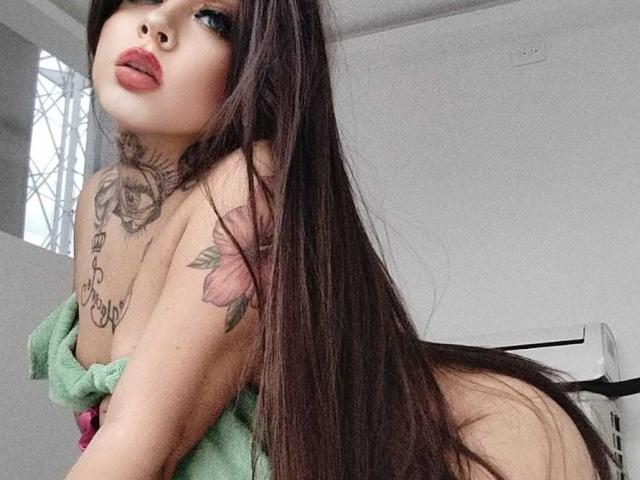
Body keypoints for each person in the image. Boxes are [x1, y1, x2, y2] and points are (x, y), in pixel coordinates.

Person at [34, 0, 617, 478]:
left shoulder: (246, 185)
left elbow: (139, 449)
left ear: (257, 71)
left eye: (214, 20)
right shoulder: (96, 200)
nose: (158, 23)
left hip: (478, 447)